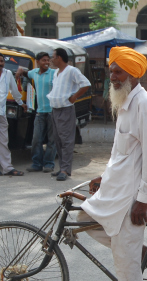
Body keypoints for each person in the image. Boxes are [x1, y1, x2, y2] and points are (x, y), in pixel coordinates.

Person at [76, 46, 147, 281]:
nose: (112, 77)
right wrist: (103, 176)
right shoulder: (125, 101)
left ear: (133, 74)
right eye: (111, 71)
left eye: (118, 71)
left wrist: (142, 201)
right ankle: (140, 250)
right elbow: (120, 152)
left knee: (124, 260)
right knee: (82, 221)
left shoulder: (144, 103)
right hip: (115, 191)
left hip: (131, 198)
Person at [46, 48, 91, 181]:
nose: (52, 60)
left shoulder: (72, 70)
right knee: (58, 139)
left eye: (53, 57)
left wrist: (74, 97)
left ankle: (65, 170)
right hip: (55, 109)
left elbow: (86, 84)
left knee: (66, 140)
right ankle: (62, 168)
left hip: (65, 109)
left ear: (59, 58)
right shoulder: (56, 73)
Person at [16, 52, 57, 173]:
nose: (46, 63)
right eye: (44, 60)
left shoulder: (54, 73)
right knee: (36, 139)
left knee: (52, 140)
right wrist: (19, 70)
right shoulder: (34, 73)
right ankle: (37, 163)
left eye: (48, 60)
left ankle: (49, 164)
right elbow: (24, 72)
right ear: (37, 62)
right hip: (40, 112)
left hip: (52, 112)